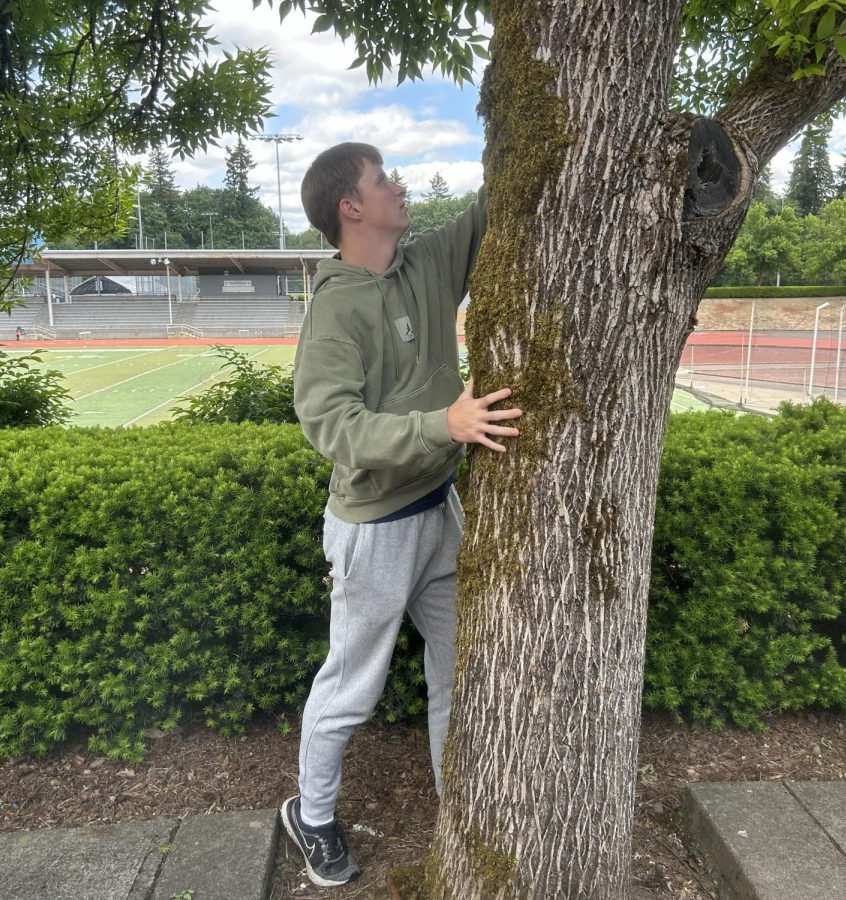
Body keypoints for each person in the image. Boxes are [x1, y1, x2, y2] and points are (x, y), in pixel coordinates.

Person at [282, 142, 522, 887]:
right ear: (351, 208)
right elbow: (332, 426)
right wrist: (438, 427)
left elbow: (493, 205)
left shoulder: (424, 265)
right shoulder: (335, 307)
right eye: (382, 180)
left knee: (458, 670)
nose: (399, 185)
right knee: (351, 686)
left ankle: (459, 809)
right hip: (374, 528)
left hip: (437, 509)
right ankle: (312, 815)